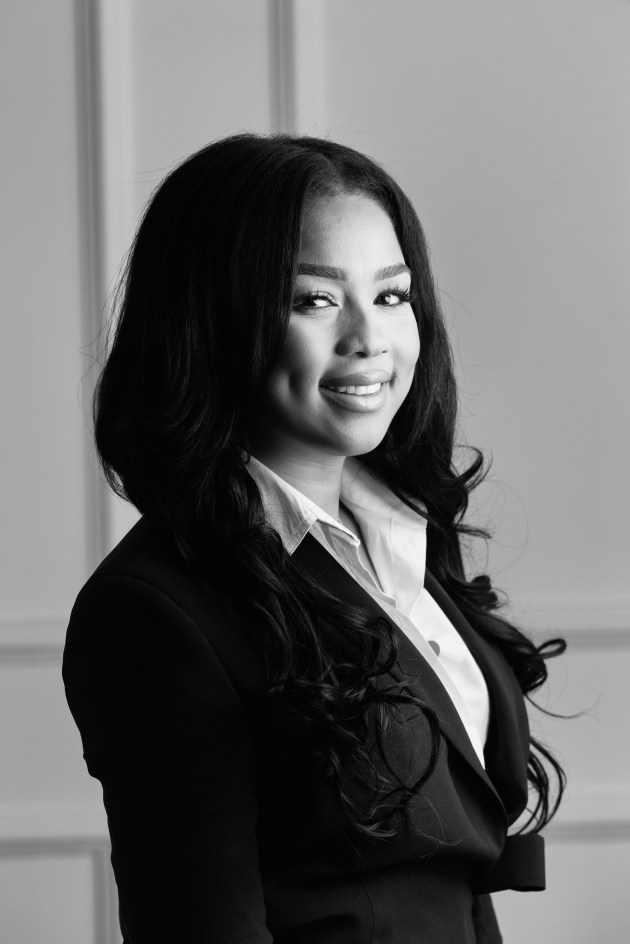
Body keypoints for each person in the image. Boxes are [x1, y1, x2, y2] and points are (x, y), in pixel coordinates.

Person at [62, 132, 566, 944]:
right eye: (314, 299)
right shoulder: (155, 610)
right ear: (212, 319)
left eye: (393, 296)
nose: (369, 337)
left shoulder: (397, 541)